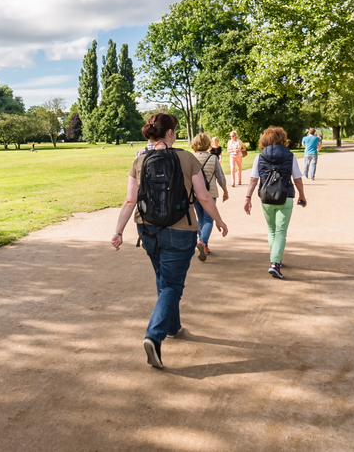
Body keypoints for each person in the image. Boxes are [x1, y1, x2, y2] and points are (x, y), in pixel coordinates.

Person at [111, 112, 228, 370]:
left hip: (147, 229)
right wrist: (218, 220)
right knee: (173, 285)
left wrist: (118, 231)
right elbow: (203, 197)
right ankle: (154, 335)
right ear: (171, 133)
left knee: (163, 279)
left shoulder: (139, 160)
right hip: (181, 229)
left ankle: (172, 327)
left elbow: (130, 200)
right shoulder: (186, 158)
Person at [243, 126, 307, 279]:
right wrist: (302, 195)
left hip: (266, 197)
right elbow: (297, 178)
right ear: (282, 139)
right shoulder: (290, 156)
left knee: (272, 229)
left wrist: (248, 197)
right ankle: (275, 263)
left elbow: (253, 179)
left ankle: (275, 259)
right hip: (286, 196)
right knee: (281, 231)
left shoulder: (259, 157)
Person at [191, 133, 229, 260]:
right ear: (208, 144)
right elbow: (220, 176)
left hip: (195, 192)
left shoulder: (191, 158)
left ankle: (203, 243)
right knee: (208, 219)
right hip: (210, 192)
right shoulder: (213, 158)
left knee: (200, 218)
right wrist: (225, 190)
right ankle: (203, 242)